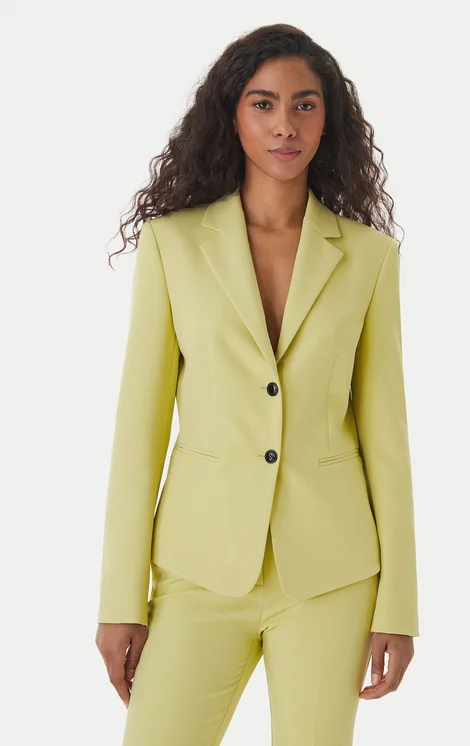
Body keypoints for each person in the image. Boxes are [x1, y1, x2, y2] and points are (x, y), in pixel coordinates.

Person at [95, 22, 420, 746]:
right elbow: (139, 435)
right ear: (232, 114)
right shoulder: (173, 245)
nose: (284, 125)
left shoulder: (368, 258)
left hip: (332, 575)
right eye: (263, 103)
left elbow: (387, 439)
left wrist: (398, 603)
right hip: (198, 568)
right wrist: (121, 599)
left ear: (328, 120)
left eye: (305, 105)